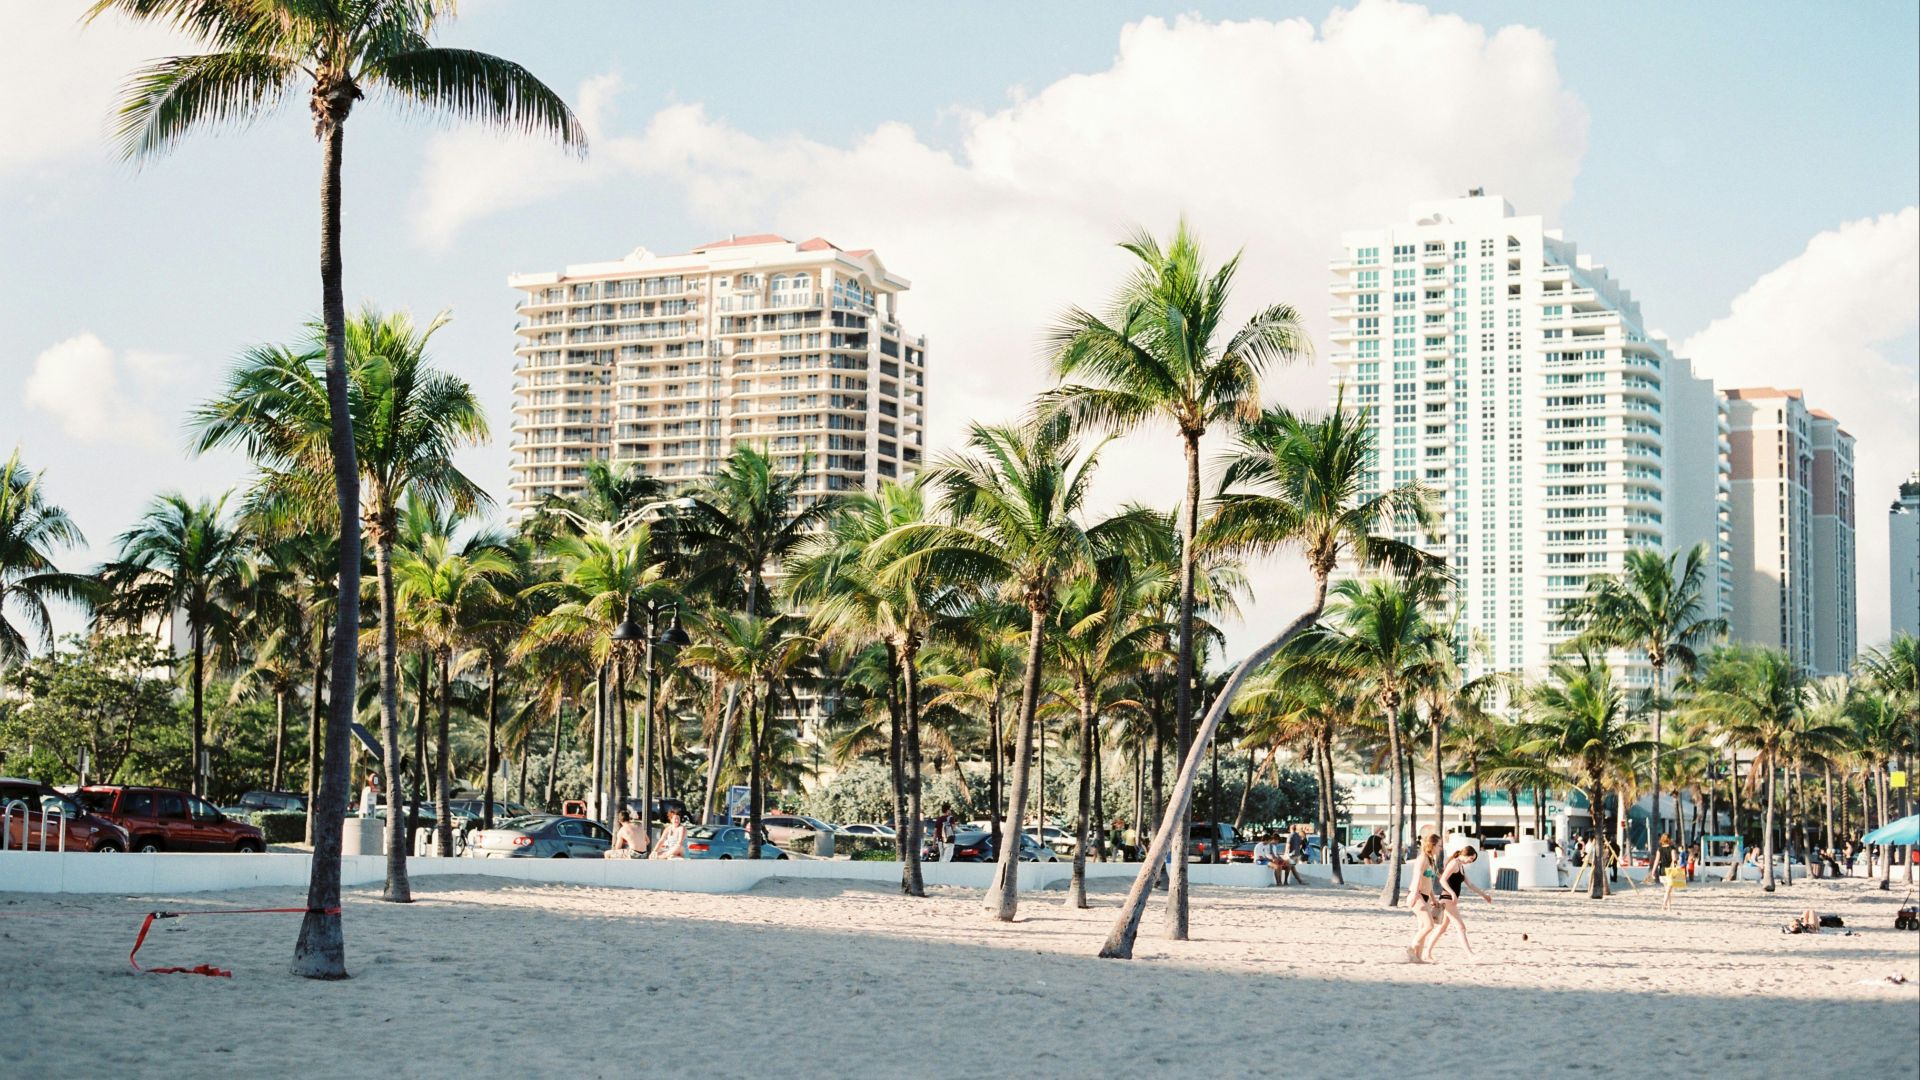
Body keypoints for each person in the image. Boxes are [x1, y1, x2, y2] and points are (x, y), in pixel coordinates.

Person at [1427, 845, 1493, 959]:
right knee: (1461, 927)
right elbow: (1442, 880)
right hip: (1447, 899)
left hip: (1450, 900)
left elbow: (1470, 885)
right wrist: (1452, 893)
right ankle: (1470, 955)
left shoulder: (1461, 866)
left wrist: (1484, 895)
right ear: (1465, 854)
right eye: (1471, 859)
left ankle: (1427, 952)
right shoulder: (1454, 863)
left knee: (1442, 929)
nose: (1471, 861)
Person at [1406, 833, 1445, 963]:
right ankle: (1411, 947)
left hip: (1425, 896)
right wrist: (1414, 894)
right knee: (1429, 925)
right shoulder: (1422, 858)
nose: (1440, 848)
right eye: (1439, 845)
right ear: (1432, 845)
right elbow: (1417, 877)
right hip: (1416, 895)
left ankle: (1418, 957)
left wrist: (1433, 899)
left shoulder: (1430, 859)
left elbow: (1428, 881)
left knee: (1423, 927)